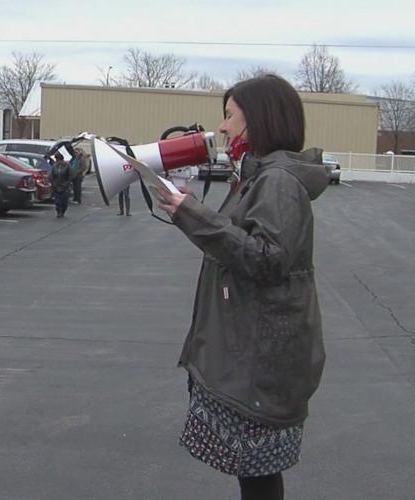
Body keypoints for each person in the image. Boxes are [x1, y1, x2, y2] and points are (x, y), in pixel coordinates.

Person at [155, 75, 328, 500]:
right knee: (256, 470)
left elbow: (268, 259)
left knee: (259, 472)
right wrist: (189, 209)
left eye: (230, 115)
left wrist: (192, 214)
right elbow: (237, 240)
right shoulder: (260, 176)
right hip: (257, 349)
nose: (223, 126)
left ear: (259, 119)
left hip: (262, 354)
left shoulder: (278, 182)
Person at [48, 152, 72, 218]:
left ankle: (63, 210)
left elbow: (70, 176)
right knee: (57, 201)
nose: (57, 161)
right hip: (56, 186)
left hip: (65, 186)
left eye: (58, 160)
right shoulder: (54, 166)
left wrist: (66, 183)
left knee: (64, 201)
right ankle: (59, 211)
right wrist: (53, 183)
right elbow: (51, 176)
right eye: (56, 160)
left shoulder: (67, 166)